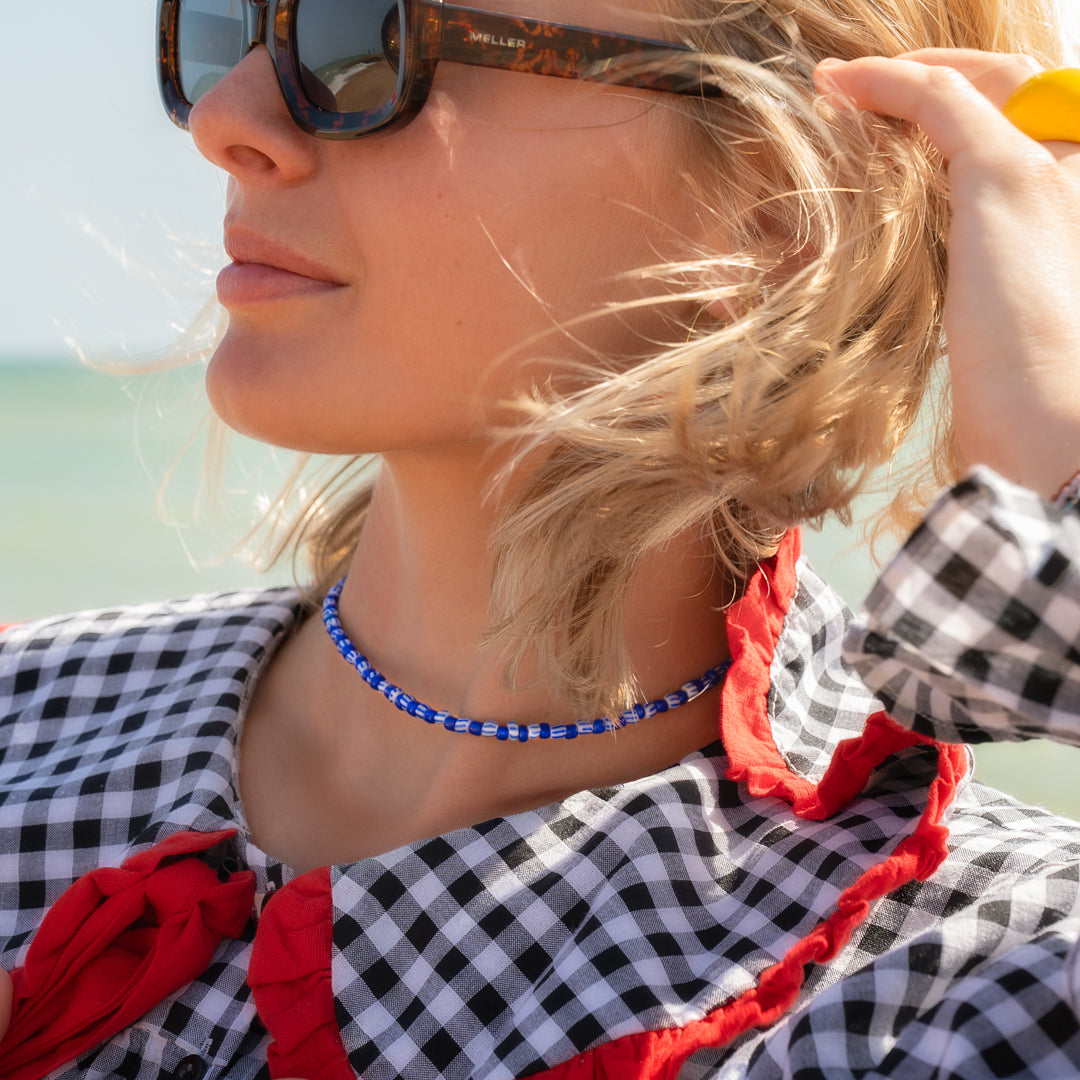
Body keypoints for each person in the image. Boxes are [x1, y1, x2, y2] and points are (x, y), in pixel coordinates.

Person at [2, 0, 1080, 1076]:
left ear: (785, 203)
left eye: (370, 39)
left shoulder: (967, 974)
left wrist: (1060, 480)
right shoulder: (24, 717)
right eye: (230, 22)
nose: (228, 117)